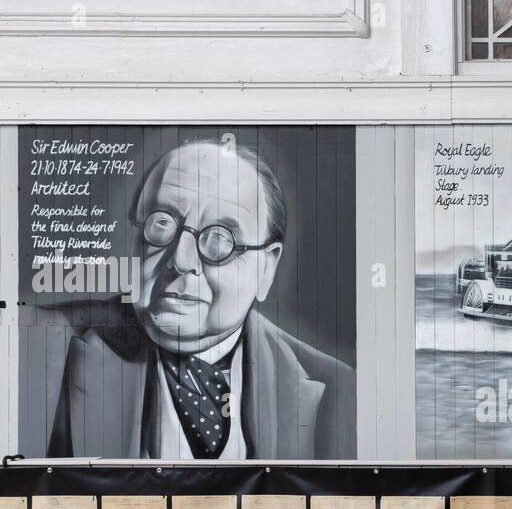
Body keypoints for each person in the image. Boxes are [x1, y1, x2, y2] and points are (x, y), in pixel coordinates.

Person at [46, 141, 354, 459]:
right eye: (162, 223)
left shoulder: (335, 386)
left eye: (220, 238)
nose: (181, 260)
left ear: (266, 268)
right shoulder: (49, 344)